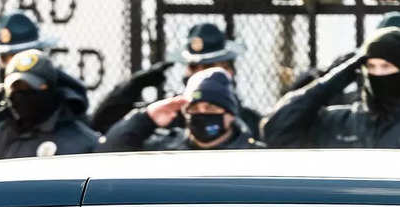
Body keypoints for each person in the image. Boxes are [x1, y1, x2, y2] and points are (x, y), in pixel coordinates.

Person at [92, 23, 262, 139]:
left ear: (229, 71)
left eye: (208, 66)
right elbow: (102, 126)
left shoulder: (249, 122)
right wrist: (133, 86)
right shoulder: (168, 116)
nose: (200, 74)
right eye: (194, 67)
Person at [262, 27, 400, 148]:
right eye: (371, 66)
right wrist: (334, 81)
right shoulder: (342, 123)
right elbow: (277, 130)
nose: (377, 74)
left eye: (386, 66)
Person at [96, 67, 264, 152]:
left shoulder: (254, 156)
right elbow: (105, 153)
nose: (202, 113)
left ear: (230, 114)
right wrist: (145, 119)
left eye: (211, 107)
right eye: (194, 107)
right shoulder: (164, 148)